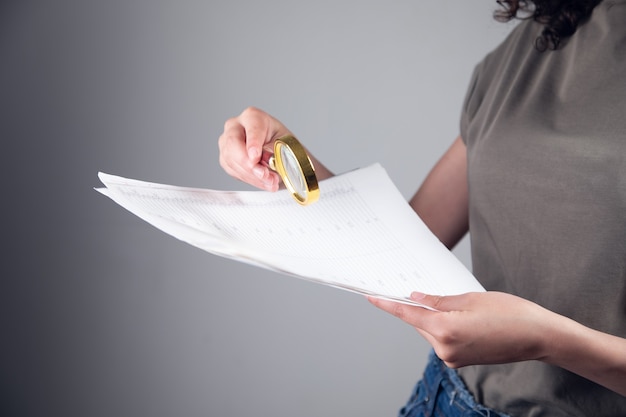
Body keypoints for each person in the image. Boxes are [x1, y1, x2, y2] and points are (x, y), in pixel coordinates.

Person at [218, 0, 626, 415]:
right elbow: (407, 239)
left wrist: (545, 341)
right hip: (447, 400)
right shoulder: (533, 44)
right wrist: (287, 157)